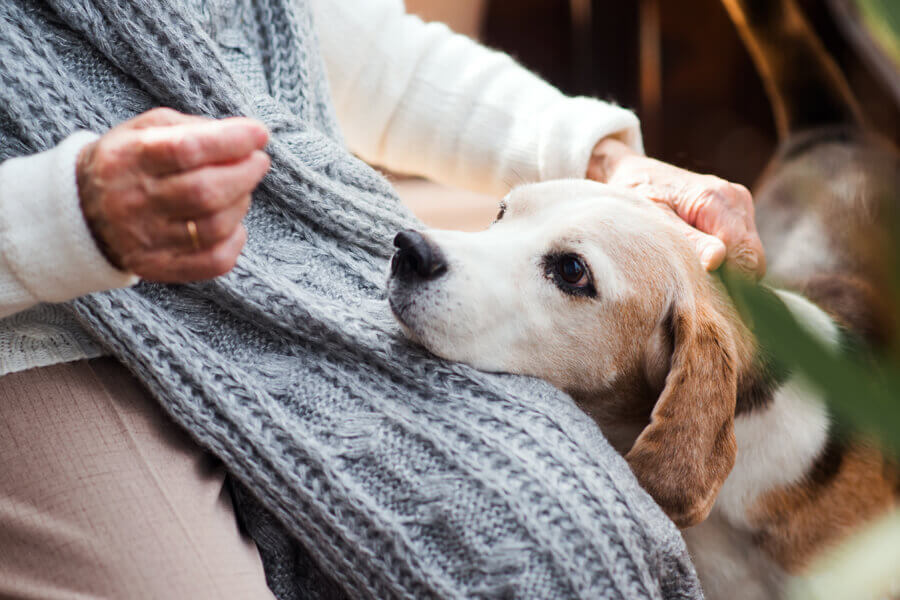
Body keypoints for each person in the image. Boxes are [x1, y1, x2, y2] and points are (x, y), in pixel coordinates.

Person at [0, 0, 764, 598]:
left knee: (567, 537)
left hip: (300, 269)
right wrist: (63, 217)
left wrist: (602, 158)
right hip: (42, 330)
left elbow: (365, 56)